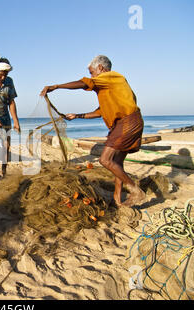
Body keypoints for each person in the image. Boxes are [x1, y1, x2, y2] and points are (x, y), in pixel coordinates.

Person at [40, 55, 146, 207]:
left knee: (105, 160)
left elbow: (84, 83)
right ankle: (117, 200)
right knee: (116, 163)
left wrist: (56, 86)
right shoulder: (112, 86)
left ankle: (136, 191)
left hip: (127, 122)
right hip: (129, 122)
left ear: (101, 68)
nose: (91, 76)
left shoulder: (111, 77)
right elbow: (100, 112)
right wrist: (78, 116)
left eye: (92, 72)